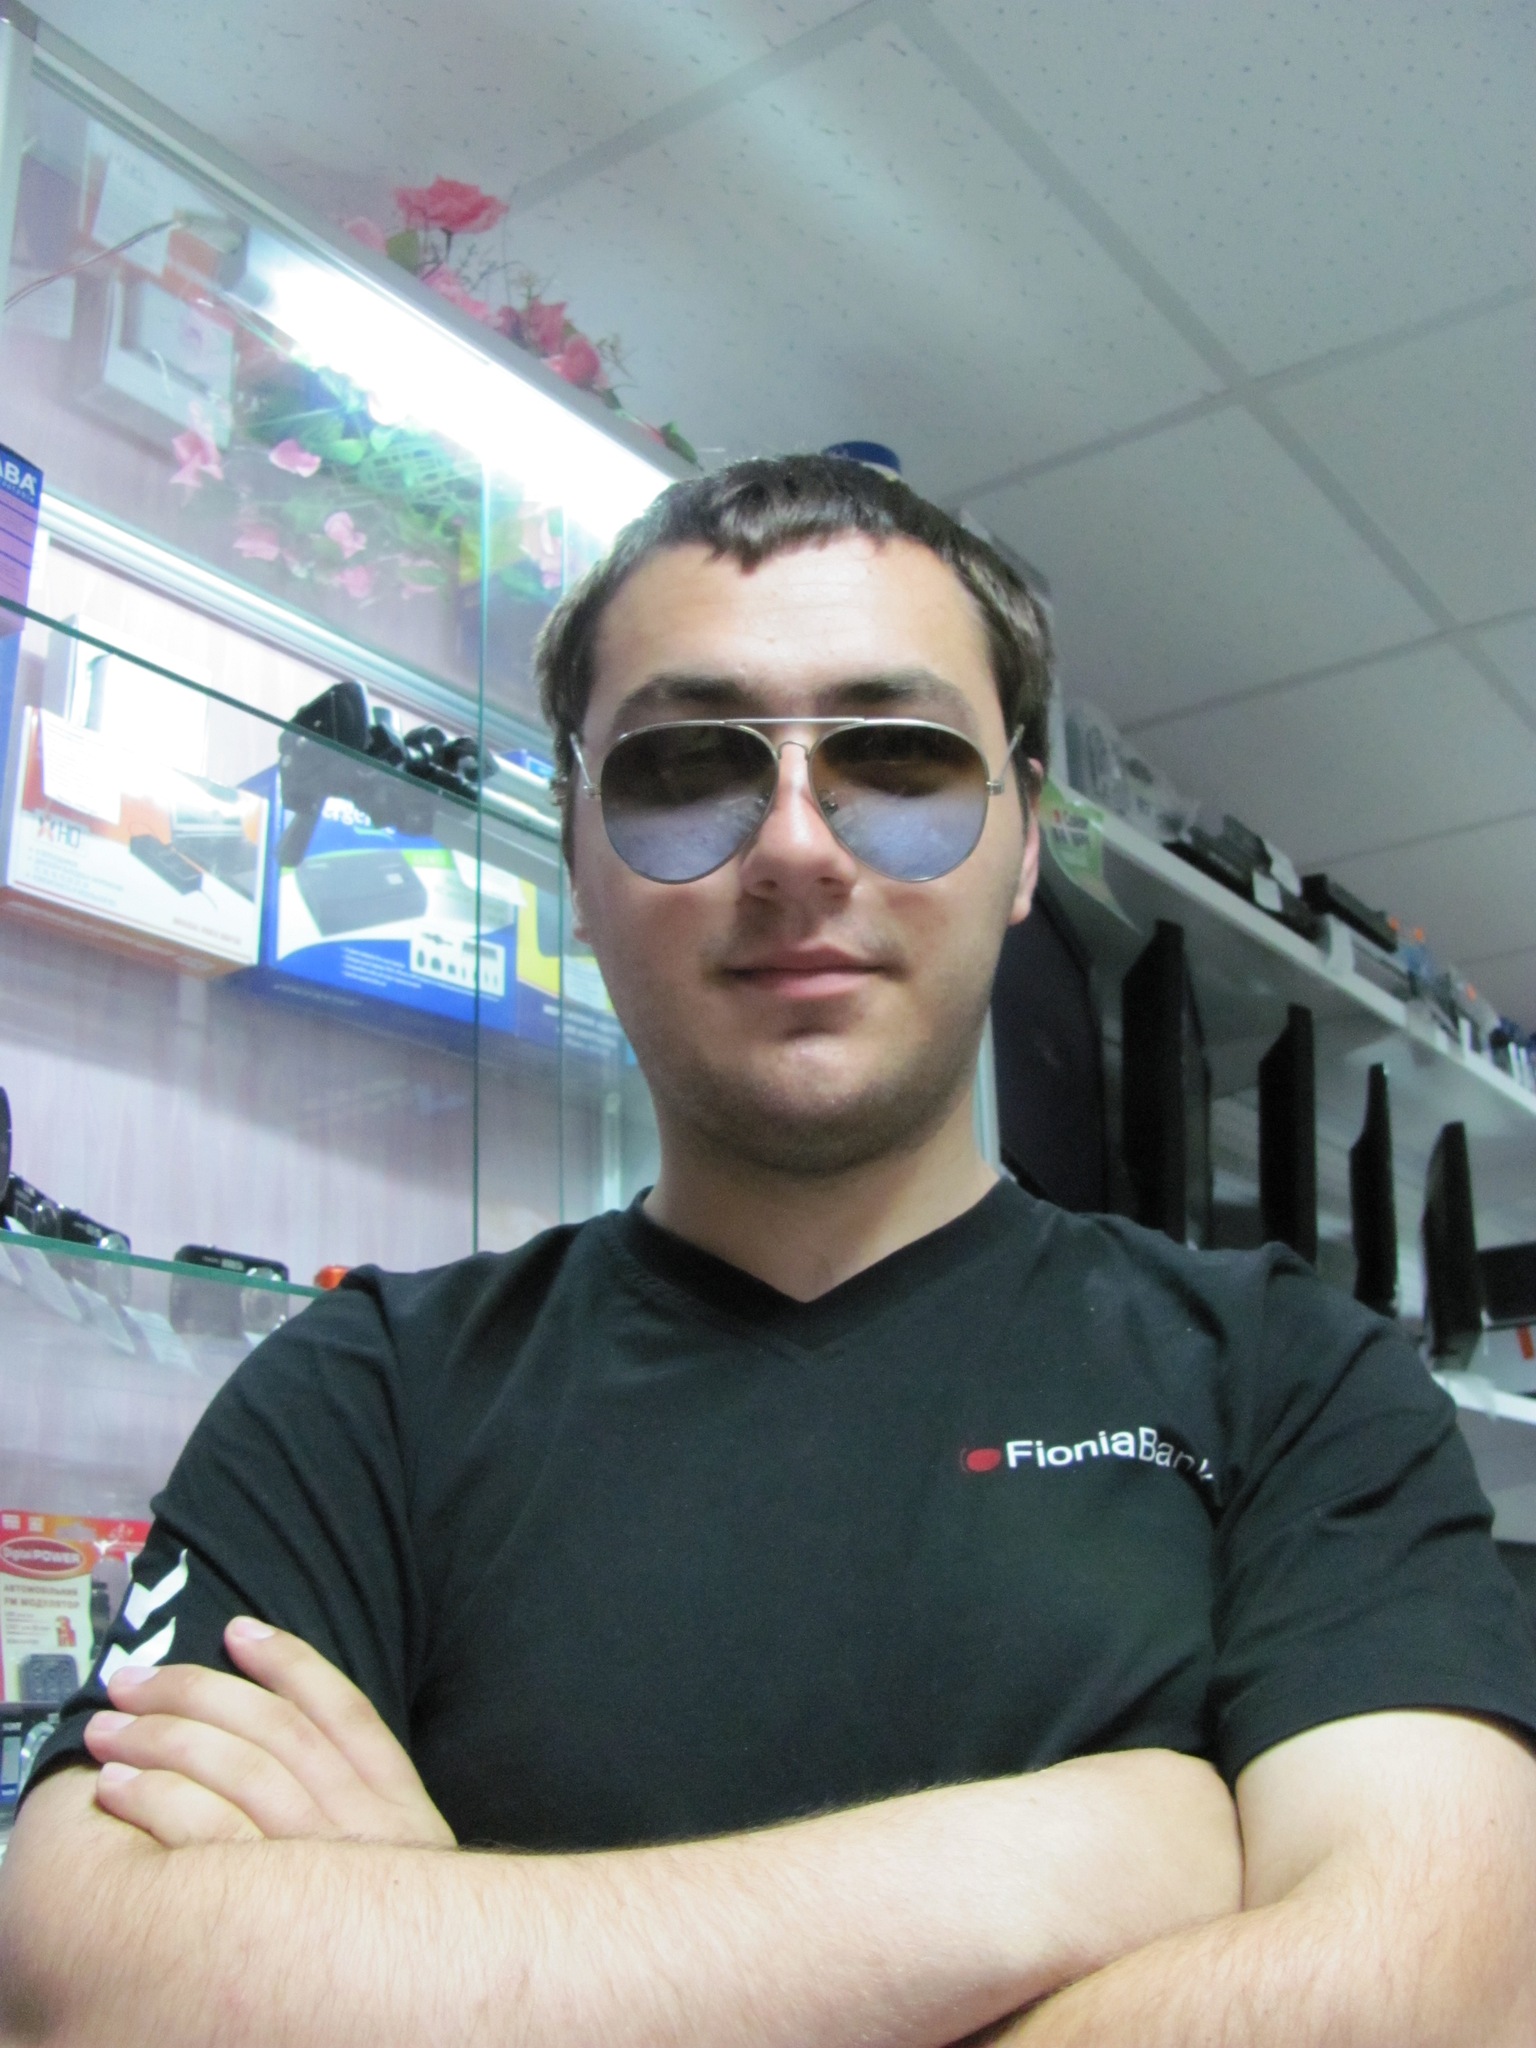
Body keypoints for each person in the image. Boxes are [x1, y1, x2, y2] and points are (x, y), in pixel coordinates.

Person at [3, 454, 1535, 2048]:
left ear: (1023, 841)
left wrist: (445, 1961)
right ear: (577, 856)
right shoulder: (361, 1402)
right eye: (685, 768)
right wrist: (1052, 1866)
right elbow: (85, 1993)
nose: (798, 846)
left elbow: (1445, 1999)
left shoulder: (1293, 1385)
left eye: (899, 757)